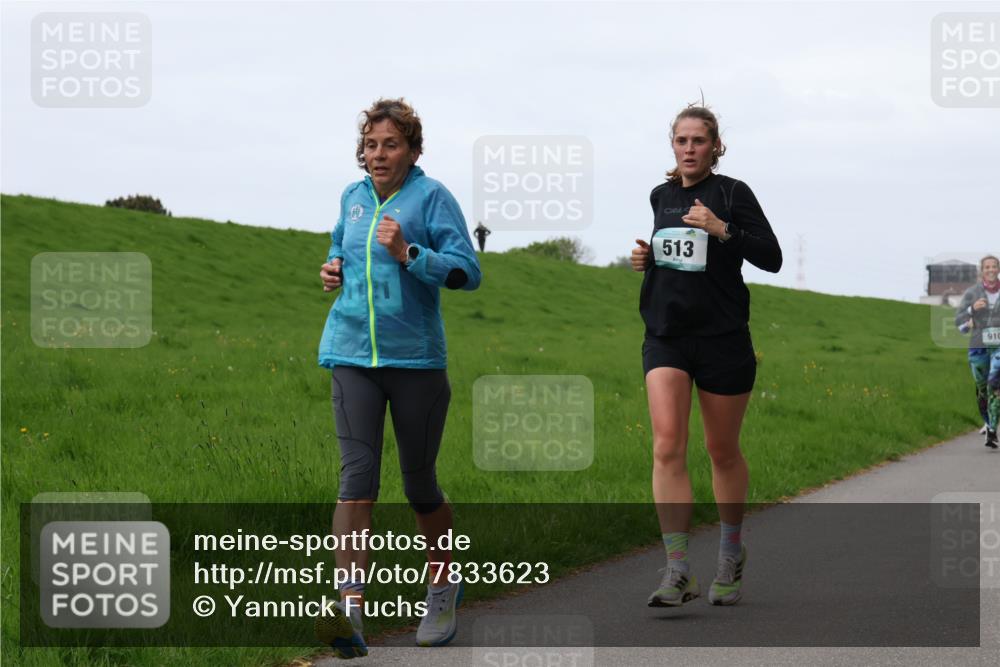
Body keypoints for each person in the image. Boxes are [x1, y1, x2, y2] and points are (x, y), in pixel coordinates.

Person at [316, 98, 481, 658]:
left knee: (418, 484)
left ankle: (442, 586)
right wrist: (332, 267)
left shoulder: (432, 197)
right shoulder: (352, 197)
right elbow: (341, 246)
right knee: (356, 478)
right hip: (352, 354)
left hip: (415, 363)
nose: (378, 154)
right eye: (371, 145)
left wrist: (409, 252)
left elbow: (467, 272)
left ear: (412, 150)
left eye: (390, 144)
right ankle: (350, 611)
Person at [630, 104, 781, 607]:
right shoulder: (661, 196)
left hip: (722, 337)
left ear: (716, 146)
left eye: (699, 140)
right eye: (681, 140)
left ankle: (730, 554)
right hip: (667, 334)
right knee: (667, 444)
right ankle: (677, 571)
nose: (689, 148)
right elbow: (672, 256)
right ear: (672, 145)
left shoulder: (733, 193)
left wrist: (723, 229)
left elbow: (772, 257)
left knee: (722, 450)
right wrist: (646, 258)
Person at [955, 255, 1000, 449]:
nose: (991, 270)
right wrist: (972, 310)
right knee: (982, 389)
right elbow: (959, 323)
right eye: (987, 267)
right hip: (978, 346)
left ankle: (991, 430)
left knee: (995, 385)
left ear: (998, 269)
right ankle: (988, 421)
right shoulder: (972, 293)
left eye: (994, 266)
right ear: (982, 271)